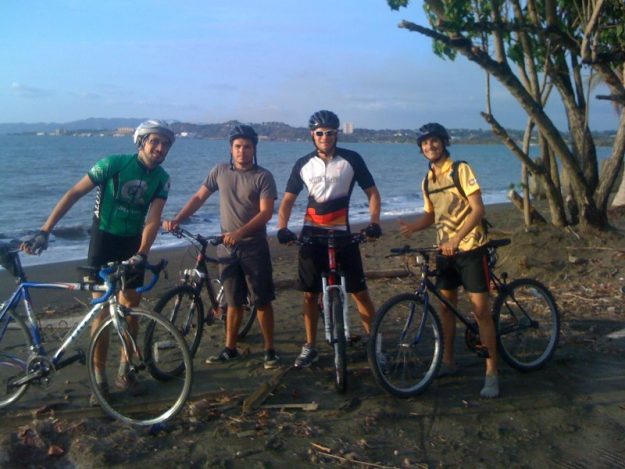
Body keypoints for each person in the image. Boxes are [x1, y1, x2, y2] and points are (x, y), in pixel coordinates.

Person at [21, 119, 175, 404]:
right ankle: (99, 379)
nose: (160, 148)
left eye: (165, 144)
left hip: (132, 244)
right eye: (155, 141)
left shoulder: (162, 178)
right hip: (103, 241)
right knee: (102, 311)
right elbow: (74, 193)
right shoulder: (113, 164)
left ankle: (125, 371)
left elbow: (153, 219)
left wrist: (142, 252)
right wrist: (46, 230)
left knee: (130, 308)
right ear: (141, 142)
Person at [162, 124, 280, 369]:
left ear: (254, 149)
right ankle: (230, 348)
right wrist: (178, 219)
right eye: (238, 146)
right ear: (231, 148)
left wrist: (240, 233)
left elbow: (266, 212)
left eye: (247, 147)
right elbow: (198, 197)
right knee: (232, 300)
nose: (242, 151)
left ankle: (270, 350)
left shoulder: (263, 176)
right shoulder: (220, 171)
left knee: (261, 300)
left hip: (253, 246)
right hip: (226, 247)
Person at [398, 122, 499, 398]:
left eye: (434, 141)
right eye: (424, 143)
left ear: (443, 142)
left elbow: (477, 209)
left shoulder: (460, 169)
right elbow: (432, 215)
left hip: (471, 248)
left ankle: (492, 373)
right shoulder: (427, 180)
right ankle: (448, 362)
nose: (429, 146)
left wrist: (457, 238)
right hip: (445, 252)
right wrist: (414, 228)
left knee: (481, 312)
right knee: (446, 308)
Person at [277, 110, 382, 369]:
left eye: (330, 132)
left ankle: (375, 345)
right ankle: (310, 346)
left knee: (359, 292)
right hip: (311, 236)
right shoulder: (303, 164)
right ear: (312, 135)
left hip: (342, 235)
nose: (325, 137)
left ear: (337, 134)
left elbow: (372, 193)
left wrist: (374, 223)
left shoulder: (352, 159)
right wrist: (282, 228)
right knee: (310, 295)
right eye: (320, 133)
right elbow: (287, 201)